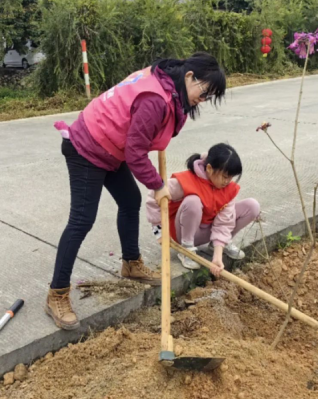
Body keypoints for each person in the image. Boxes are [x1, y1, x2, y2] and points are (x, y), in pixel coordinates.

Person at [48, 53, 227, 331]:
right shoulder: (156, 99)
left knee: (130, 202)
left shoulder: (168, 84)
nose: (202, 100)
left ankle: (131, 264)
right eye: (204, 93)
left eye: (209, 97)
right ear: (190, 76)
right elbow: (135, 152)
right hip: (87, 148)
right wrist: (157, 185)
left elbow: (143, 135)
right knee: (82, 219)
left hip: (108, 148)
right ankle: (57, 293)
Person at [147, 144, 261, 278]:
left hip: (209, 231)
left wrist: (217, 257)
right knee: (193, 201)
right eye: (224, 176)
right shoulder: (185, 181)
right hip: (184, 232)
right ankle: (187, 251)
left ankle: (218, 244)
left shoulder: (228, 188)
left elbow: (224, 223)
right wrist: (159, 231)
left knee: (252, 206)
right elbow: (153, 196)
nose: (227, 181)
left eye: (231, 177)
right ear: (209, 168)